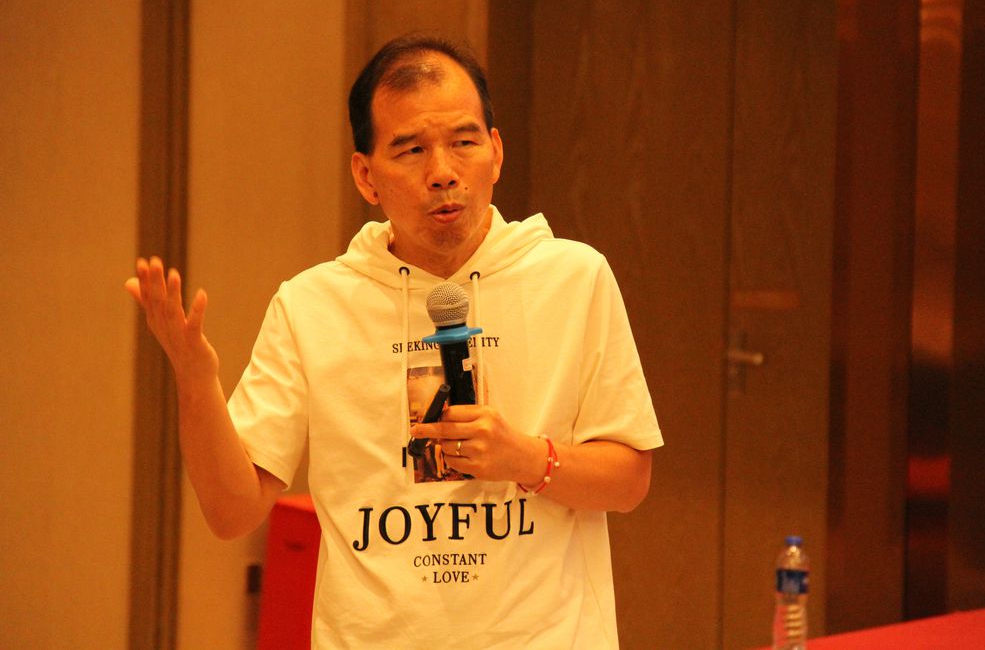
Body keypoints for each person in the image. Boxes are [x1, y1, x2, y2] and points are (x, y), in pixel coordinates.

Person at [126, 33, 663, 649]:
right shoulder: (312, 305)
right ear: (366, 176)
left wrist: (525, 459)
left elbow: (629, 480)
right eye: (410, 150)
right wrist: (196, 382)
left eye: (463, 143)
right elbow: (232, 512)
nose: (443, 173)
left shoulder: (573, 278)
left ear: (496, 152)